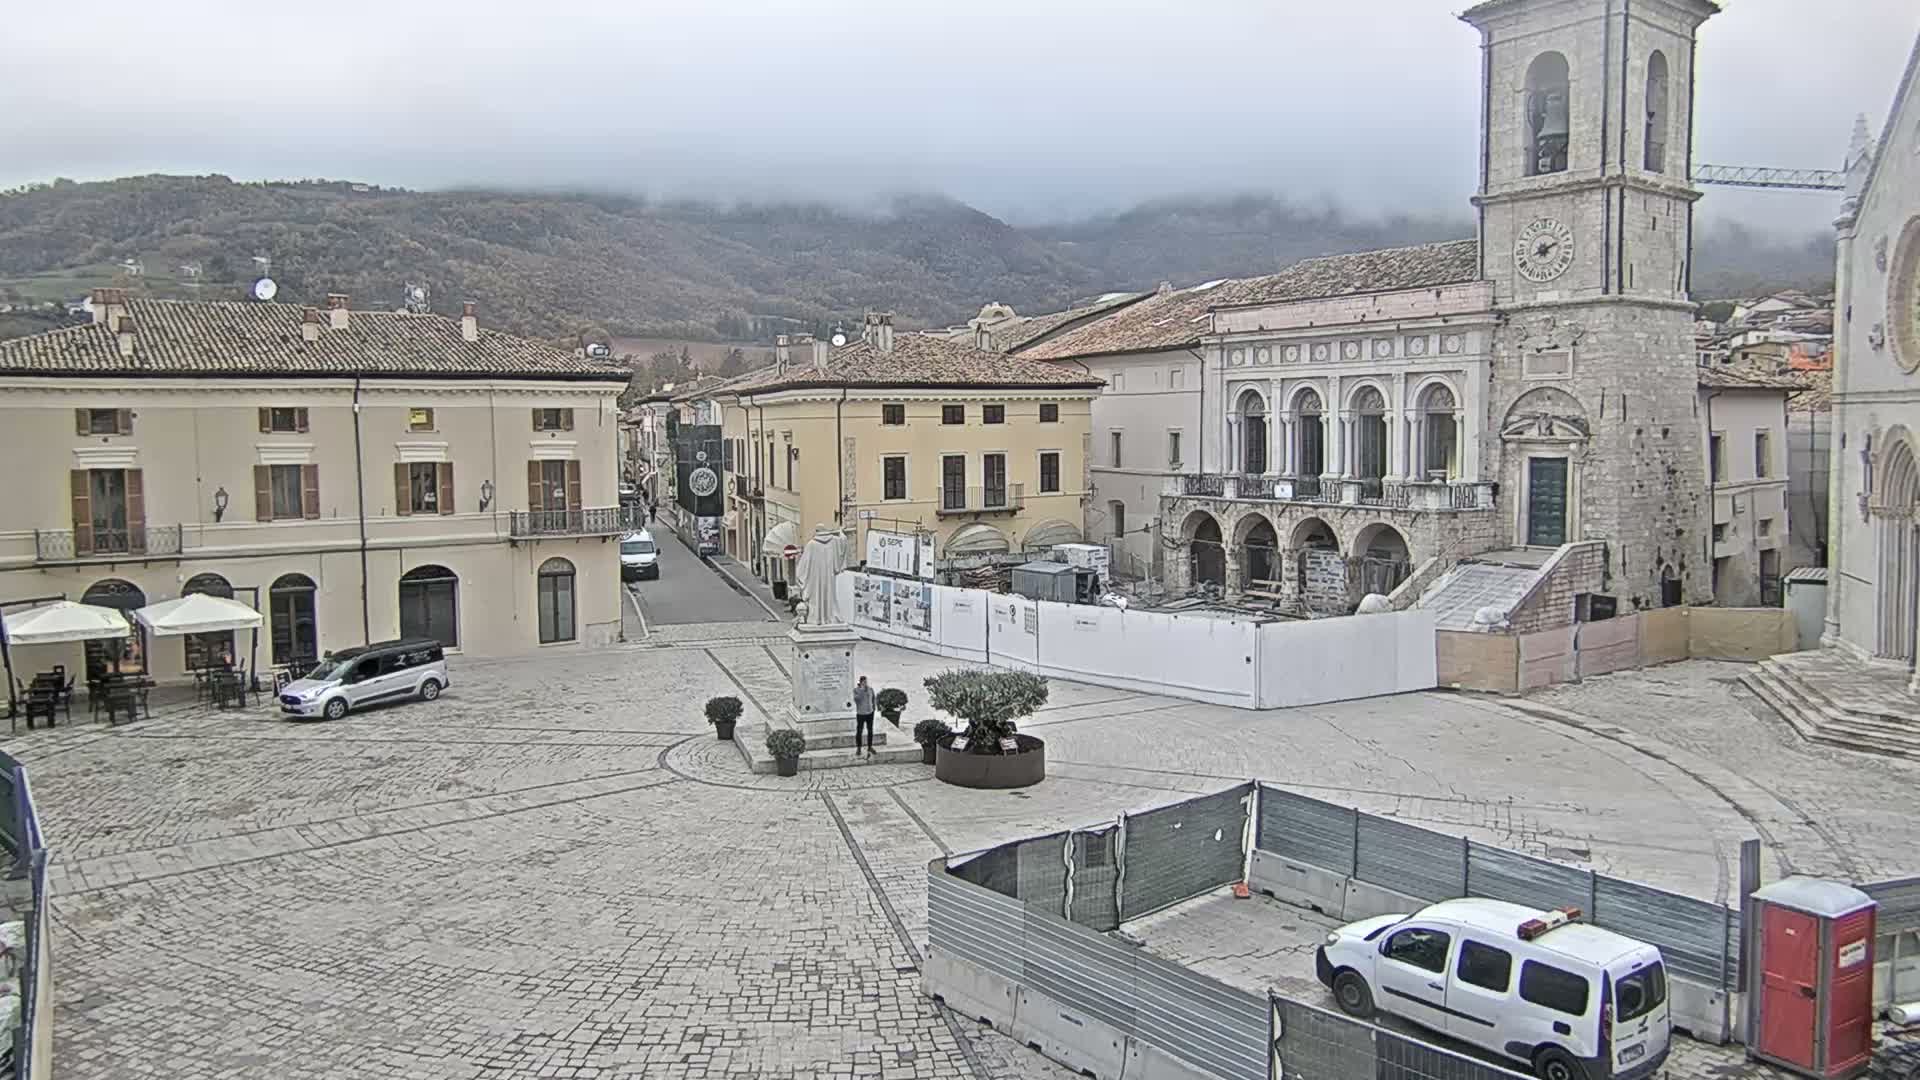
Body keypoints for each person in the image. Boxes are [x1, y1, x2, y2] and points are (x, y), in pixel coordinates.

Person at [852, 675, 875, 758]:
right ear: (861, 682)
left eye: (866, 682)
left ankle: (870, 746)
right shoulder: (856, 690)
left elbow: (873, 699)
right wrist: (861, 690)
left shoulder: (870, 689)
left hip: (870, 713)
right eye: (864, 682)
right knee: (859, 731)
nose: (866, 683)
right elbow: (857, 700)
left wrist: (873, 708)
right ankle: (858, 748)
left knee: (870, 730)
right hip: (861, 713)